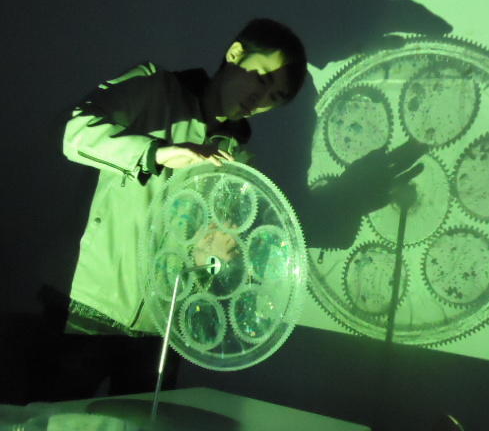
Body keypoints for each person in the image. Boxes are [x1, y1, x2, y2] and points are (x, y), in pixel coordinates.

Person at [61, 17, 306, 339]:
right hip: (95, 305)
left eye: (274, 98)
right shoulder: (156, 88)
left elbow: (201, 252)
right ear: (235, 54)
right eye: (262, 79)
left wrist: (208, 259)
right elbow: (76, 134)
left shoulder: (238, 160)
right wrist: (157, 154)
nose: (259, 99)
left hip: (164, 331)